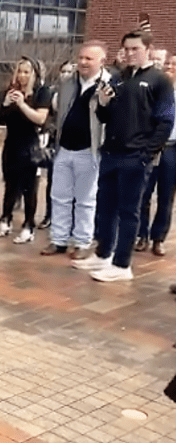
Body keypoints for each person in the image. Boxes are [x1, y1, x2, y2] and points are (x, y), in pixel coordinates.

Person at [73, 29, 175, 282]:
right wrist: (103, 105)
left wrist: (147, 153)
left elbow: (165, 121)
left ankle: (122, 265)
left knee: (129, 211)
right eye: (126, 49)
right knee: (105, 207)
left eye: (135, 49)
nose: (129, 53)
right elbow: (104, 117)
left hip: (136, 156)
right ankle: (103, 253)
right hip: (111, 153)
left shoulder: (159, 81)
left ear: (148, 50)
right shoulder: (118, 78)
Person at [41, 42, 110, 259]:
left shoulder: (109, 85)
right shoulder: (67, 82)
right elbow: (58, 111)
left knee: (85, 200)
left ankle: (82, 242)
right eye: (81, 58)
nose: (83, 62)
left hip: (89, 150)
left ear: (102, 61)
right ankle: (59, 240)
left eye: (89, 59)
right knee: (59, 196)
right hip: (64, 148)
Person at [0, 57, 51, 243]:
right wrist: (6, 103)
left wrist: (22, 104)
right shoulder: (10, 91)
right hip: (11, 143)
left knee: (29, 188)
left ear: (34, 74)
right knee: (10, 185)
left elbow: (40, 119)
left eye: (27, 72)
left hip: (30, 145)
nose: (22, 76)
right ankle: (5, 220)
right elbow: (0, 119)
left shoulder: (42, 92)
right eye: (20, 71)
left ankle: (28, 225)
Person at [135, 53, 176, 256]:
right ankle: (141, 235)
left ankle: (158, 238)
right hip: (150, 147)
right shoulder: (155, 89)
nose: (170, 67)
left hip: (172, 149)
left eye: (174, 65)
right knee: (143, 193)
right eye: (168, 63)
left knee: (166, 196)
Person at [37, 60, 76, 230]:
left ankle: (71, 220)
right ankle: (49, 215)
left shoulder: (79, 92)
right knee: (53, 182)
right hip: (57, 143)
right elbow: (48, 117)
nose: (66, 74)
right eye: (63, 71)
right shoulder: (53, 92)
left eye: (69, 71)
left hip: (76, 144)